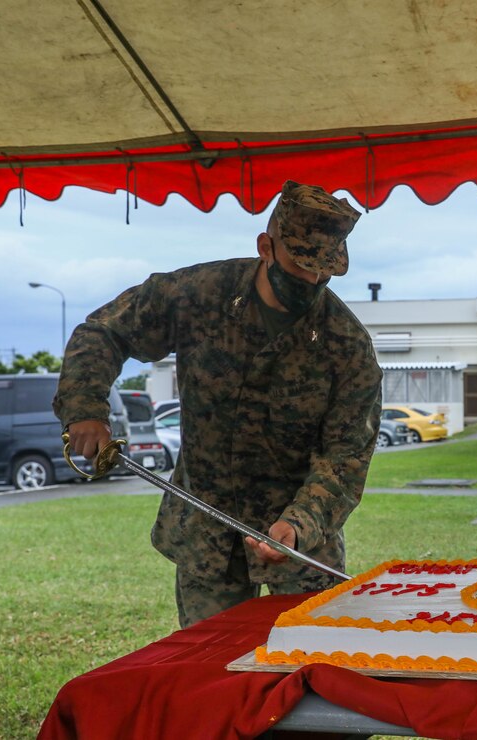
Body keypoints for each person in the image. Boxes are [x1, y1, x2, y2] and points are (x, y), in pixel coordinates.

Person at [56, 180, 383, 628]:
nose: (311, 281)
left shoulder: (346, 344)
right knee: (207, 669)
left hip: (300, 541)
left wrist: (301, 523)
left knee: (313, 662)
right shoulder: (198, 294)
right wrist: (85, 408)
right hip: (205, 527)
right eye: (299, 265)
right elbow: (104, 331)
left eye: (323, 271)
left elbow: (346, 456)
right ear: (265, 247)